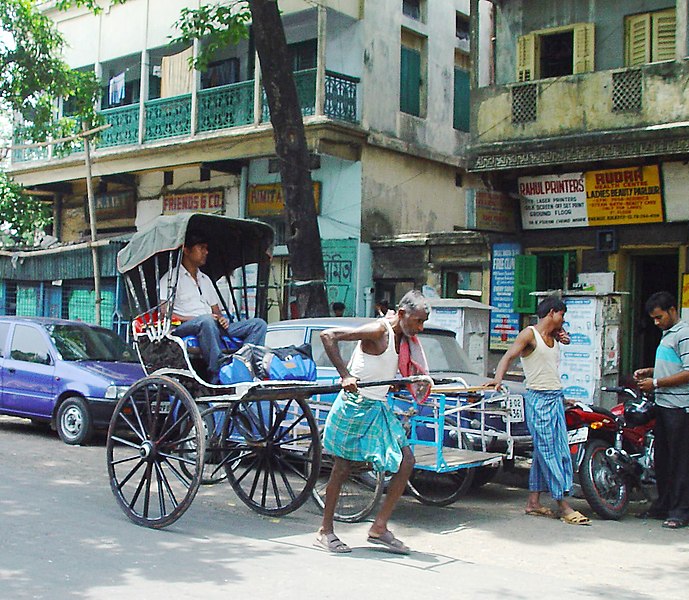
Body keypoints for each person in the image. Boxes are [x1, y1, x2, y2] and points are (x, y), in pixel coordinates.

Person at [314, 289, 430, 554]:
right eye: (417, 321)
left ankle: (379, 527)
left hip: (377, 407)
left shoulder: (404, 338)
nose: (420, 328)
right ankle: (325, 530)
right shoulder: (379, 331)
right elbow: (328, 336)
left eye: (423, 322)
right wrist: (345, 375)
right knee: (342, 468)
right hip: (355, 405)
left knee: (407, 460)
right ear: (402, 314)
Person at [488, 294, 590, 525]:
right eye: (562, 315)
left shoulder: (552, 336)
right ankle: (563, 504)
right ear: (552, 312)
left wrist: (562, 336)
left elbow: (555, 355)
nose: (563, 320)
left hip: (555, 398)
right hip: (538, 399)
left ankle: (533, 502)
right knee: (551, 452)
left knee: (551, 451)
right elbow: (508, 356)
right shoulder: (529, 334)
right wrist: (497, 380)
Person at [159, 230, 267, 384]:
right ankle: (218, 370)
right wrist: (199, 318)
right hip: (184, 327)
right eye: (201, 248)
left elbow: (217, 312)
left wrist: (221, 319)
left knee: (258, 324)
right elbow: (165, 316)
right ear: (187, 250)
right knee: (206, 321)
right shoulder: (170, 280)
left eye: (206, 248)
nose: (206, 252)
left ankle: (242, 364)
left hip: (211, 324)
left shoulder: (205, 279)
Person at [634, 291, 689, 529]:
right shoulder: (668, 335)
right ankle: (664, 504)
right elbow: (672, 367)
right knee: (663, 460)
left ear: (672, 310)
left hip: (679, 407)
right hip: (664, 406)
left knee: (680, 461)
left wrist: (655, 383)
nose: (656, 323)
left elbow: (688, 371)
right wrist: (650, 371)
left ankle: (680, 510)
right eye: (653, 319)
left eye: (659, 317)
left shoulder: (684, 334)